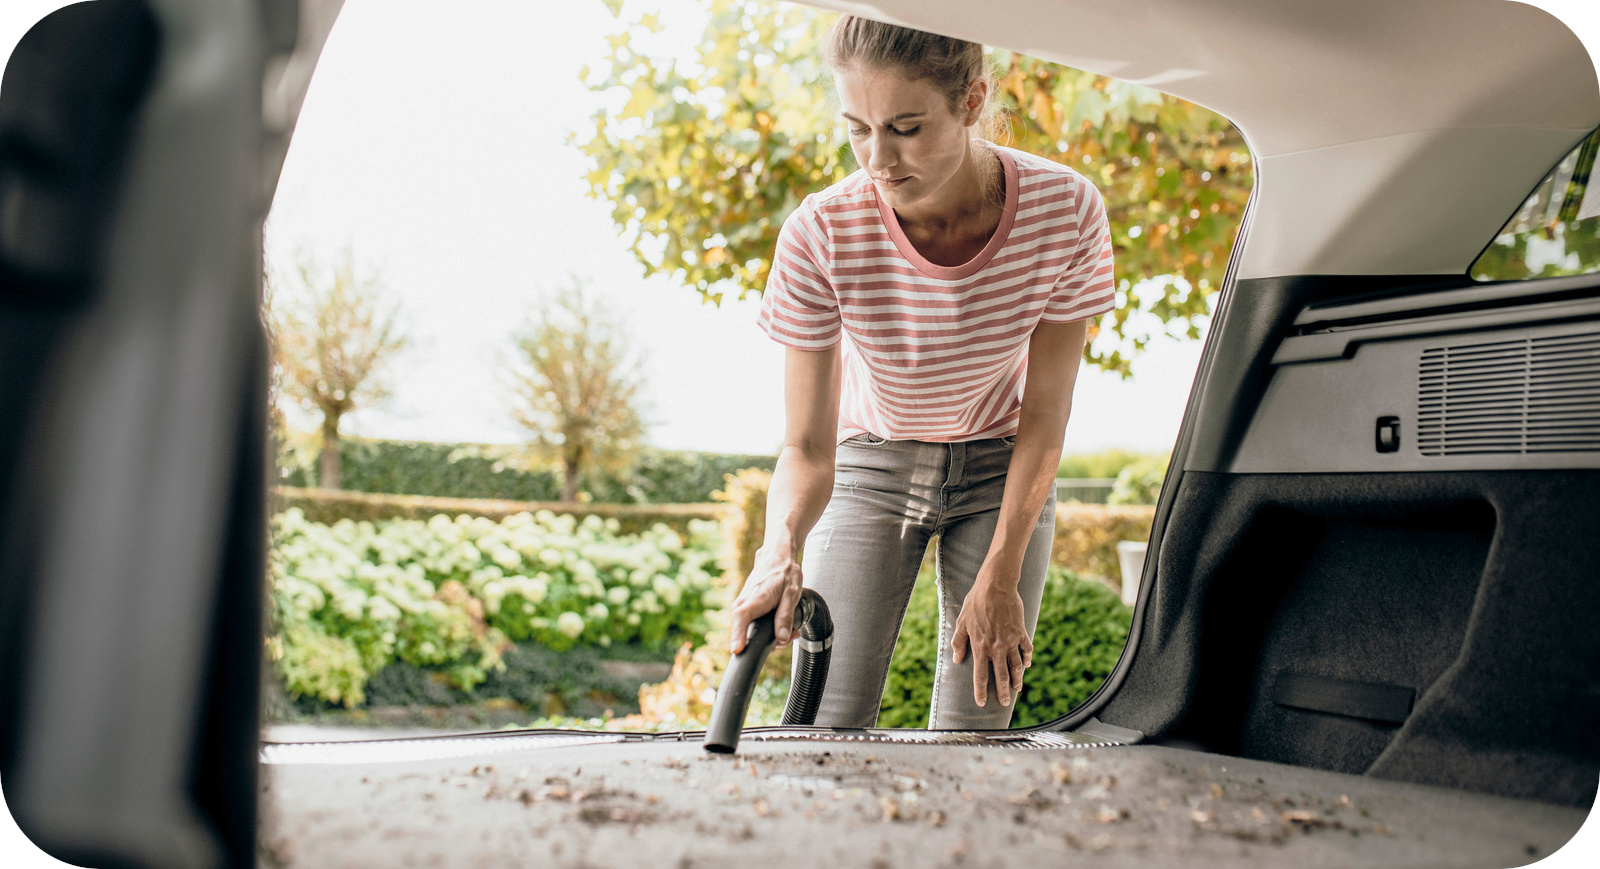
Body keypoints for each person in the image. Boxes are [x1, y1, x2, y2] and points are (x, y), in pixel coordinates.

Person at [730, 16, 1115, 730]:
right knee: (824, 723)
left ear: (971, 102)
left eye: (905, 127)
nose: (879, 157)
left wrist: (1002, 571)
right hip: (872, 462)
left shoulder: (1065, 211)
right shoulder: (823, 232)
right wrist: (778, 545)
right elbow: (808, 448)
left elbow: (1046, 413)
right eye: (858, 128)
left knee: (977, 726)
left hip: (1003, 464)